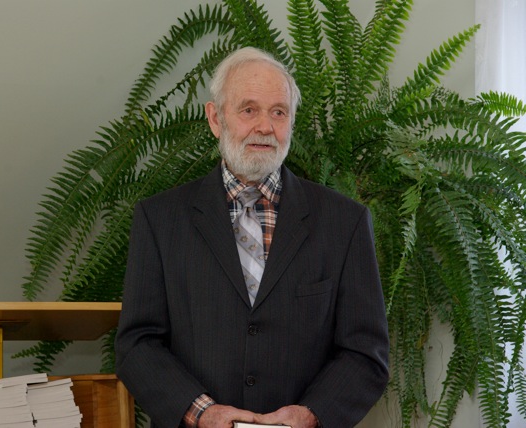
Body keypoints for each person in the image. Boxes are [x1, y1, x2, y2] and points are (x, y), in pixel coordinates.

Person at [115, 46, 389, 428]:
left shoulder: (346, 222)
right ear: (215, 118)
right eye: (249, 110)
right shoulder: (160, 219)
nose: (265, 126)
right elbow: (138, 345)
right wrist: (201, 412)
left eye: (279, 112)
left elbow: (365, 352)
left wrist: (311, 414)